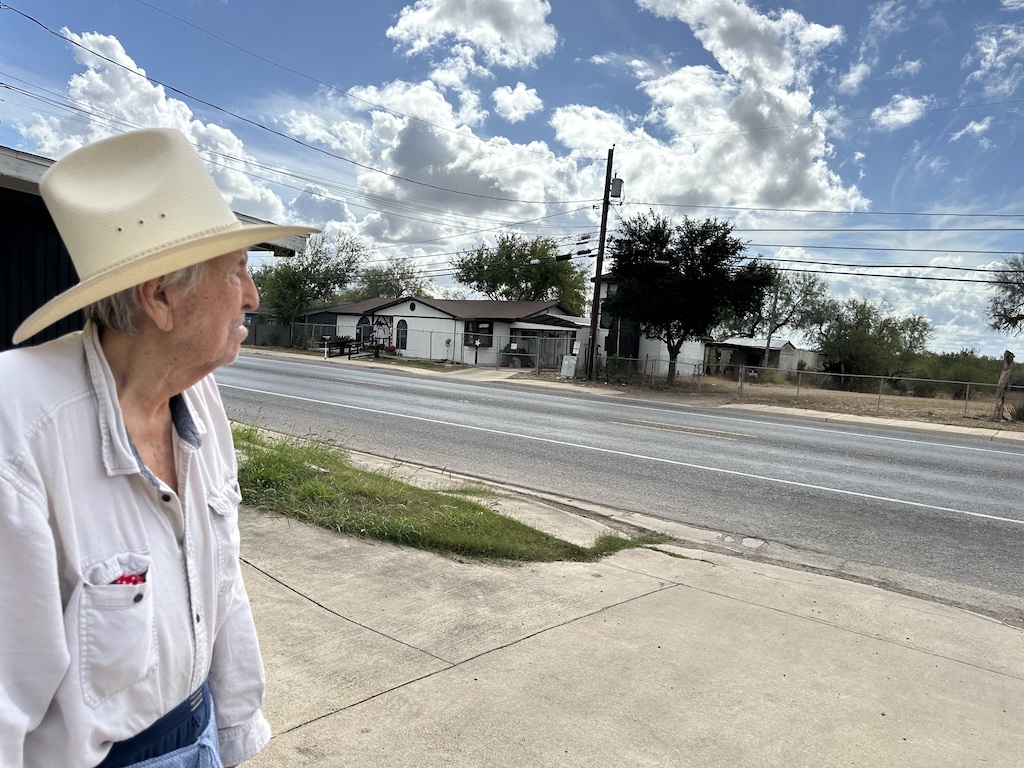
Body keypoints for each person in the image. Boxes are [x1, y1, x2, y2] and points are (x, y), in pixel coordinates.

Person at [0, 128, 318, 767]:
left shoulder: (198, 396)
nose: (253, 296)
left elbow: (221, 587)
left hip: (197, 734)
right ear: (162, 298)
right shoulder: (18, 424)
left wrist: (232, 735)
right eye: (238, 271)